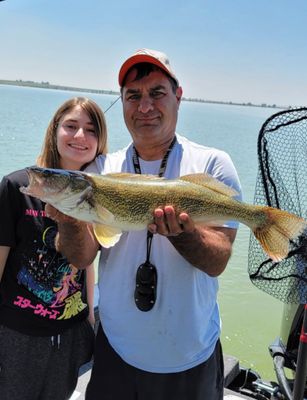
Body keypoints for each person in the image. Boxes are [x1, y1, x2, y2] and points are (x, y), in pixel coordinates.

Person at [53, 49, 242, 400]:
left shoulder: (214, 164)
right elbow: (81, 258)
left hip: (190, 356)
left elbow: (218, 261)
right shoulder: (99, 170)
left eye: (157, 93)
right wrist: (68, 220)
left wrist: (185, 237)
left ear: (178, 96)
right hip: (115, 351)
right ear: (122, 102)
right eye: (133, 96)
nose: (144, 107)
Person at [0, 96, 108, 400]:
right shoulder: (16, 186)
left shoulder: (97, 193)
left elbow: (88, 262)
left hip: (68, 334)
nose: (79, 136)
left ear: (100, 142)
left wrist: (87, 321)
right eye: (70, 126)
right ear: (54, 131)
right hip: (15, 334)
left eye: (91, 130)